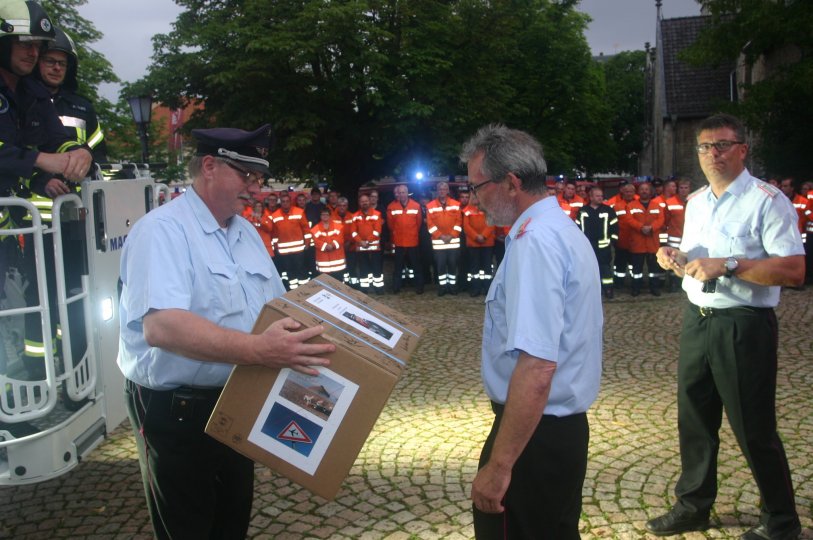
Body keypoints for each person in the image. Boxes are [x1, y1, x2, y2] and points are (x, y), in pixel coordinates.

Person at [117, 124, 335, 539]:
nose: (256, 188)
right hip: (175, 409)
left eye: (259, 178)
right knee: (189, 528)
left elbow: (274, 309)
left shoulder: (245, 232)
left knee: (231, 521)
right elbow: (163, 327)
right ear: (210, 166)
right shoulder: (162, 230)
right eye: (247, 176)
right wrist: (260, 351)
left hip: (236, 400)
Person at [649, 113, 804, 540]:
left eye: (721, 145)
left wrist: (732, 265)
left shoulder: (767, 201)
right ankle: (694, 504)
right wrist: (673, 255)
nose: (712, 154)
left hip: (743, 324)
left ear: (742, 150)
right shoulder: (696, 201)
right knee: (694, 419)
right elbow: (700, 257)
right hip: (698, 318)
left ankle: (781, 520)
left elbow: (793, 270)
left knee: (753, 427)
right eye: (704, 146)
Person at [460, 124, 602, 540]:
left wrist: (500, 466)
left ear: (511, 182)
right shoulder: (559, 229)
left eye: (478, 187)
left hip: (533, 439)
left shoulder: (534, 241)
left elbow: (538, 365)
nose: (474, 199)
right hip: (555, 432)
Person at [36, 27, 107, 163]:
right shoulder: (22, 102)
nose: (57, 68)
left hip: (80, 183)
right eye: (50, 61)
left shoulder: (83, 108)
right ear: (36, 63)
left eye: (62, 63)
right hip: (37, 182)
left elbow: (99, 154)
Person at [622, 181, 664, 296]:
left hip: (652, 242)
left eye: (646, 189)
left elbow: (661, 220)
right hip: (637, 242)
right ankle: (636, 288)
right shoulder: (631, 206)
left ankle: (654, 288)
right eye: (642, 189)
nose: (644, 191)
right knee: (637, 270)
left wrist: (651, 228)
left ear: (650, 192)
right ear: (638, 192)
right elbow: (629, 219)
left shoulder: (657, 206)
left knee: (654, 269)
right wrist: (641, 227)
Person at [577, 186, 619, 299]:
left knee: (605, 269)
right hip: (587, 247)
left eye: (601, 196)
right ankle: (591, 290)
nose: (600, 198)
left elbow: (614, 227)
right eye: (597, 196)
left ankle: (608, 289)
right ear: (590, 197)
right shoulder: (583, 211)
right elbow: (577, 227)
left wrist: (613, 240)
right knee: (588, 269)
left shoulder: (608, 210)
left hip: (604, 247)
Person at [426, 181, 462, 296]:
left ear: (447, 191)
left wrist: (451, 235)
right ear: (437, 191)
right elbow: (430, 225)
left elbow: (459, 222)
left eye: (444, 189)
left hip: (453, 242)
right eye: (440, 189)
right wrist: (440, 236)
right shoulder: (430, 206)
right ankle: (442, 287)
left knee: (452, 265)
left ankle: (452, 287)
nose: (442, 191)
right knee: (440, 267)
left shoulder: (456, 204)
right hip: (438, 243)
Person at [387, 184, 424, 294]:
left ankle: (419, 287)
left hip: (413, 241)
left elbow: (419, 223)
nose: (402, 194)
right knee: (398, 266)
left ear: (407, 193)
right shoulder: (391, 207)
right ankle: (396, 287)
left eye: (404, 192)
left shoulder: (416, 206)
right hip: (399, 241)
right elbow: (390, 225)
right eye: (400, 192)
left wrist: (412, 233)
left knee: (416, 265)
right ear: (397, 194)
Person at [271, 193, 311, 289]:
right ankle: (293, 290)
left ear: (290, 202)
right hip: (284, 251)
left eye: (287, 201)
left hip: (298, 249)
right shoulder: (275, 215)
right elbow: (274, 233)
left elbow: (306, 229)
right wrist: (275, 246)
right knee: (290, 271)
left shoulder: (299, 212)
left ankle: (304, 289)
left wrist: (307, 242)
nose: (285, 203)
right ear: (281, 203)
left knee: (301, 270)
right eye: (283, 201)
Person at [461, 190, 494, 296]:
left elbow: (491, 223)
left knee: (487, 267)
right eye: (473, 196)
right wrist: (476, 236)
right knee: (474, 268)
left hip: (487, 242)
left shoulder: (489, 209)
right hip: (473, 243)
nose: (476, 198)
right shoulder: (466, 210)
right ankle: (475, 288)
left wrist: (483, 236)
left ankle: (487, 288)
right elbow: (466, 227)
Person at [352, 193, 384, 293]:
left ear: (369, 201)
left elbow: (377, 231)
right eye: (362, 201)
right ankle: (364, 289)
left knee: (376, 268)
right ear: (359, 203)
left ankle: (378, 288)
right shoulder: (355, 216)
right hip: (361, 247)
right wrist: (360, 241)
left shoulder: (377, 214)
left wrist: (367, 241)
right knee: (363, 268)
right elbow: (353, 232)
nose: (364, 203)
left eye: (366, 201)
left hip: (374, 247)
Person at [311, 207, 346, 277]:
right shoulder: (315, 229)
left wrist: (332, 245)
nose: (325, 216)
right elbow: (316, 241)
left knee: (338, 281)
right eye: (323, 214)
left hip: (337, 260)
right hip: (324, 261)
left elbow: (340, 239)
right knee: (326, 282)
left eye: (326, 214)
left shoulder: (338, 226)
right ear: (320, 216)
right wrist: (325, 246)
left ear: (330, 216)